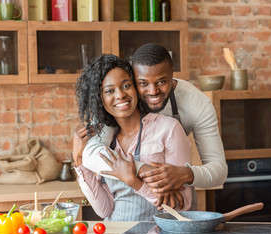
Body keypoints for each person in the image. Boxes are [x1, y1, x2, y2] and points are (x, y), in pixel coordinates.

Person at [81, 43, 228, 209]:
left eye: (161, 81)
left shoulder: (197, 104)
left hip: (175, 204)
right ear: (132, 79)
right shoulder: (119, 105)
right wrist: (143, 171)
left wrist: (186, 174)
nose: (153, 91)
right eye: (143, 83)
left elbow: (219, 171)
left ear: (173, 76)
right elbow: (92, 153)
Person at [73, 54, 194, 221]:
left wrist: (135, 182)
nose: (120, 95)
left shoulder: (168, 129)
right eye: (109, 91)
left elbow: (182, 206)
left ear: (136, 87)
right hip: (117, 233)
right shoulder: (105, 141)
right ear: (99, 99)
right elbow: (105, 210)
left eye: (126, 85)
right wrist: (80, 162)